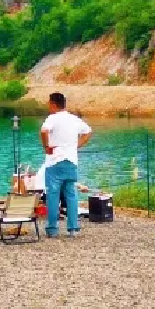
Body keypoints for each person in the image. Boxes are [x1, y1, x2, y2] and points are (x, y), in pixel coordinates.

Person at [39, 92, 92, 238]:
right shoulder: (74, 119)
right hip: (71, 161)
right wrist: (77, 145)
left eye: (49, 103)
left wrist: (46, 146)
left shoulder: (52, 118)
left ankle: (52, 229)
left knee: (53, 195)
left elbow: (44, 131)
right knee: (71, 194)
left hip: (55, 162)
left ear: (53, 104)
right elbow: (88, 132)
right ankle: (73, 228)